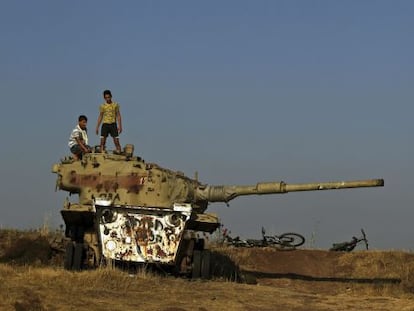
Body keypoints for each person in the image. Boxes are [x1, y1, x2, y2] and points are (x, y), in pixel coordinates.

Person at [95, 89, 122, 153]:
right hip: (105, 124)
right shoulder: (102, 106)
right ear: (104, 98)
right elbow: (100, 116)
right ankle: (102, 153)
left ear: (111, 96)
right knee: (102, 141)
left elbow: (118, 115)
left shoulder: (115, 105)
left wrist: (120, 126)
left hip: (113, 124)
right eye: (106, 97)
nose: (107, 99)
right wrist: (97, 127)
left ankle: (119, 152)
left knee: (116, 141)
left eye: (108, 97)